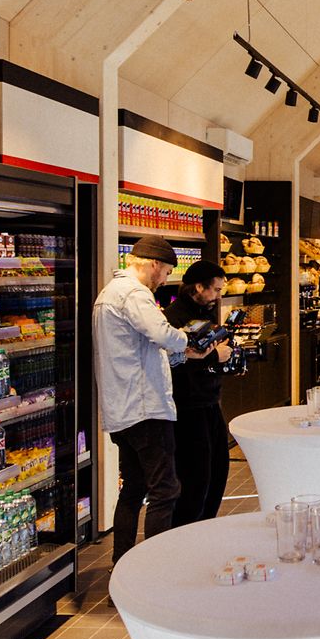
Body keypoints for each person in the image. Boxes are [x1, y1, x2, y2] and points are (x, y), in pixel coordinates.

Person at [96, 237, 221, 561]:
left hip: (122, 409)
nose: (165, 280)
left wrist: (186, 354)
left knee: (133, 490)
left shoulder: (108, 294)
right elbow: (162, 334)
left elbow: (144, 351)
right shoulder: (134, 293)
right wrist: (187, 341)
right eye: (165, 272)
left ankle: (121, 565)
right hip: (144, 409)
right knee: (166, 490)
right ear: (153, 265)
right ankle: (156, 568)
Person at [165, 261, 234, 527]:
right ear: (198, 287)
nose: (218, 296)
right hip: (187, 407)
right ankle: (186, 532)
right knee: (196, 476)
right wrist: (214, 356)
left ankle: (205, 527)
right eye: (215, 290)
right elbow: (175, 364)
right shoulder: (173, 319)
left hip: (209, 402)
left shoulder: (202, 315)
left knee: (218, 469)